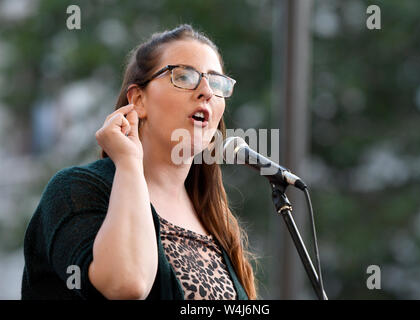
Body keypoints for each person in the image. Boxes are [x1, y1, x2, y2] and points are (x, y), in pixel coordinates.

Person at [21, 24, 257, 300]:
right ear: (138, 100)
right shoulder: (74, 189)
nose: (206, 90)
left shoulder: (214, 218)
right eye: (184, 76)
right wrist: (129, 162)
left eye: (216, 82)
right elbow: (126, 284)